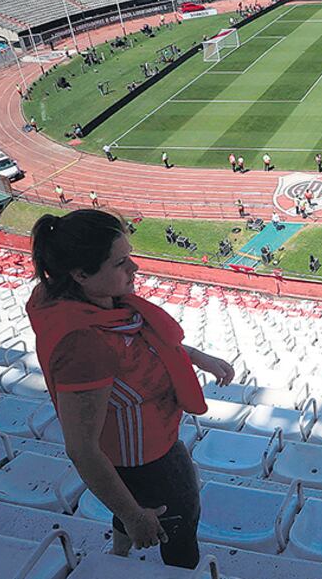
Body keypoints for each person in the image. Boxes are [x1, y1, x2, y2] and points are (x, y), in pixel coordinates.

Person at [26, 210, 235, 569]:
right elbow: (82, 448)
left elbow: (135, 350)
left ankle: (118, 555)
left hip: (142, 447)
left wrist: (197, 357)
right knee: (181, 532)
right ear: (81, 274)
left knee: (152, 510)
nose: (134, 268)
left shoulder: (92, 303)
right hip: (146, 460)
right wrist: (134, 515)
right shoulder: (83, 345)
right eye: (121, 262)